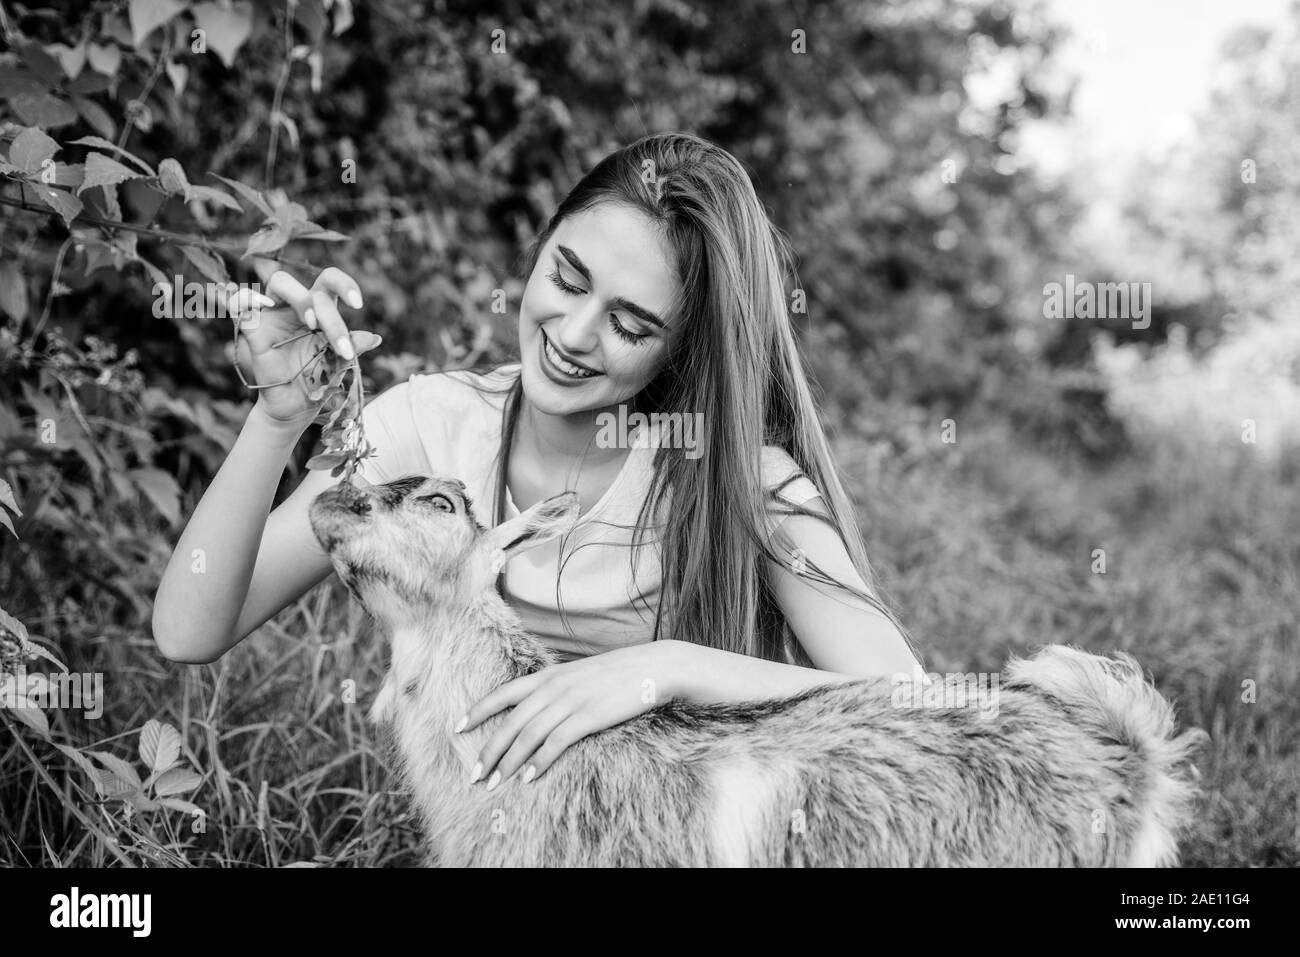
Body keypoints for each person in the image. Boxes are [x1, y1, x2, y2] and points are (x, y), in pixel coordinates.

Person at [152, 131, 924, 791]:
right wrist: (277, 417)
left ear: (680, 350)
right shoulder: (433, 425)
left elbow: (914, 708)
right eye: (566, 278)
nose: (575, 333)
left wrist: (669, 668)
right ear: (543, 241)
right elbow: (189, 630)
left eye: (629, 323)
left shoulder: (734, 482)